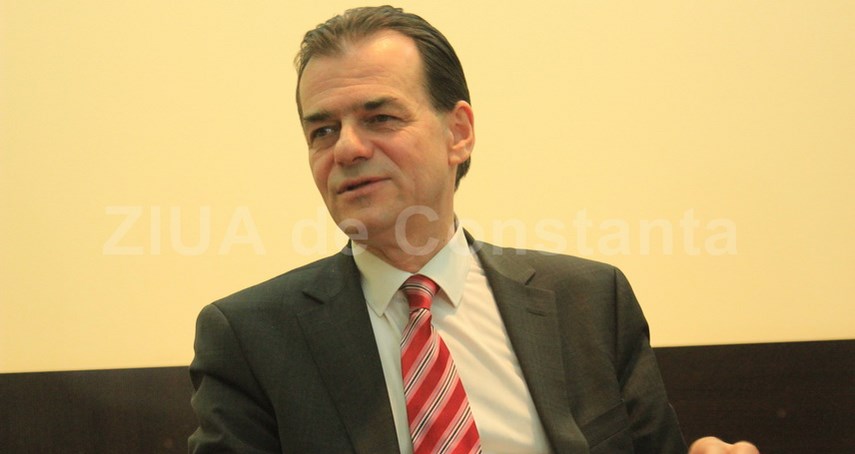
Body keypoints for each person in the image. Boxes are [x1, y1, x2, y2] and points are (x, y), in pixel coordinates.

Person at [188, 6, 759, 454]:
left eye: (379, 118)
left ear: (458, 132)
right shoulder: (251, 339)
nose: (347, 149)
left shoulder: (589, 303)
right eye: (323, 131)